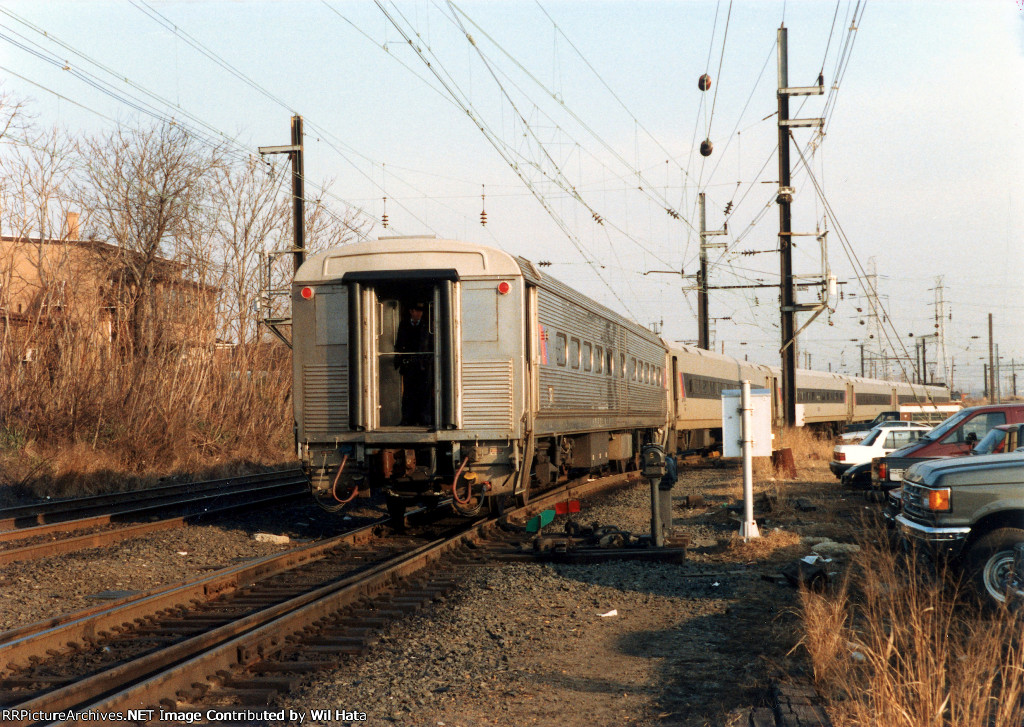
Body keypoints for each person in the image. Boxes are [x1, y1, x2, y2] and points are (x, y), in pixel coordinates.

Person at [394, 302, 433, 425]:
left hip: (423, 365)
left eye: (421, 310)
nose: (420, 312)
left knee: (424, 392)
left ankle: (424, 420)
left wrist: (429, 360)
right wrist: (399, 356)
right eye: (417, 310)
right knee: (408, 393)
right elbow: (399, 343)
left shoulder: (427, 325)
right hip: (409, 364)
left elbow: (431, 344)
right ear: (411, 311)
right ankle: (407, 420)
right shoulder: (404, 324)